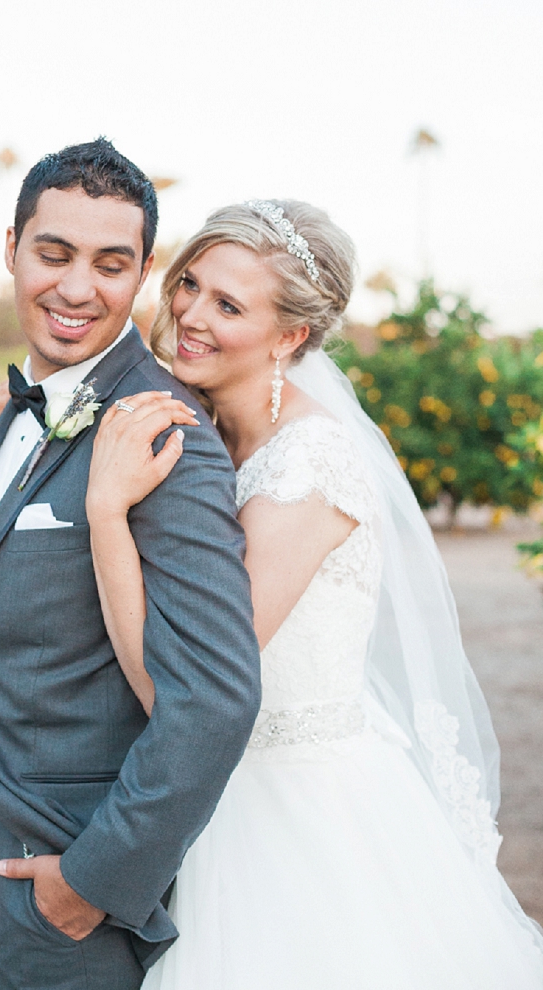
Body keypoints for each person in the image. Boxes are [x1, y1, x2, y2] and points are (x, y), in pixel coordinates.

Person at [81, 199, 543, 988]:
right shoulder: (203, 433)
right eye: (189, 283)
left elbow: (181, 689)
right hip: (212, 795)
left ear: (291, 336)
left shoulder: (309, 469)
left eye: (228, 305)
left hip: (298, 813)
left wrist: (105, 513)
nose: (188, 312)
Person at [0, 139, 262, 990]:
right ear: (12, 248)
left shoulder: (164, 434)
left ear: (143, 272)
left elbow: (217, 696)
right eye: (54, 253)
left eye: (111, 264)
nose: (77, 288)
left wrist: (94, 883)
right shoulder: (8, 410)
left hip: (67, 886)